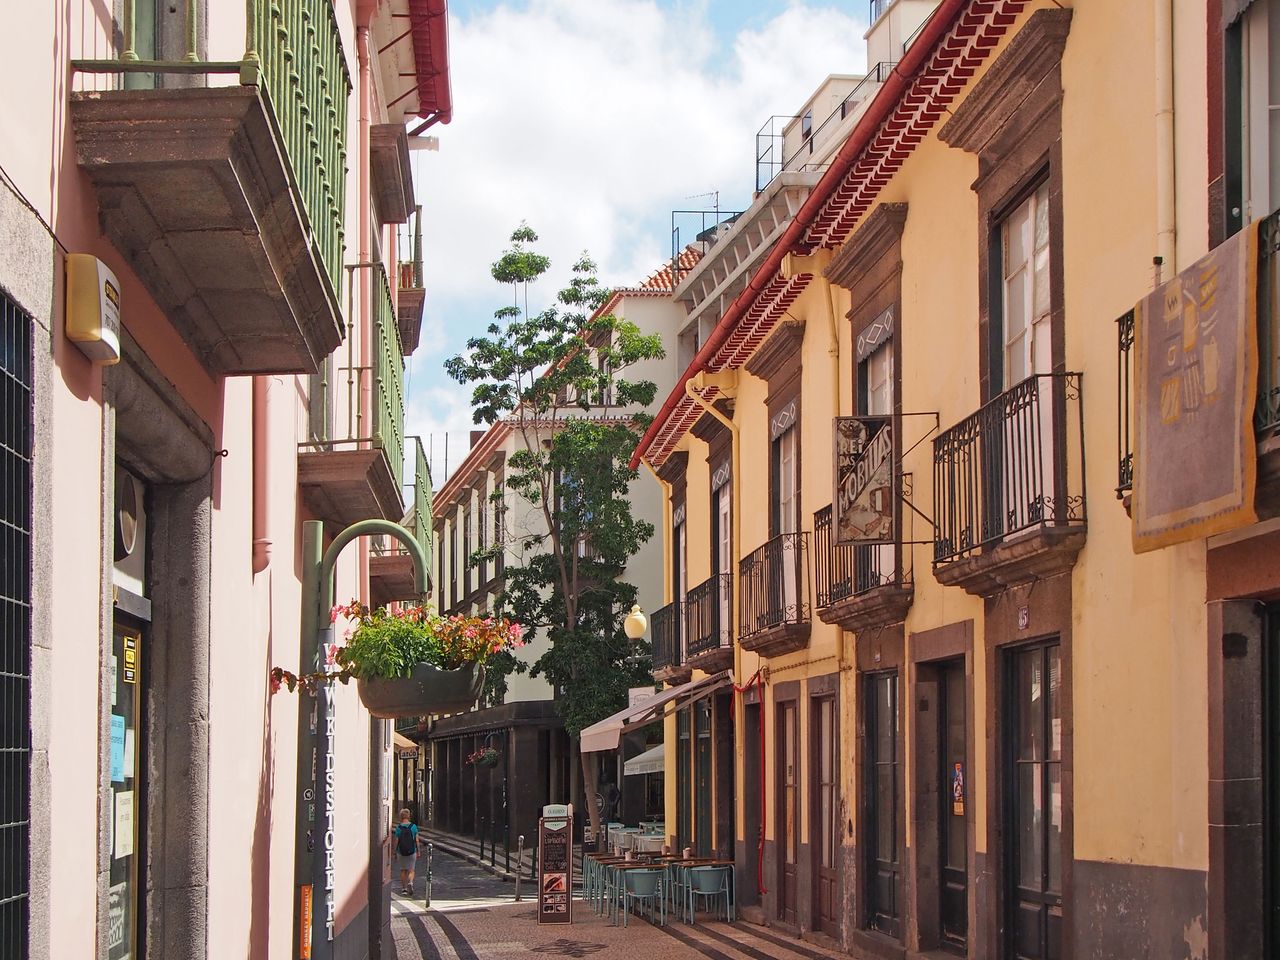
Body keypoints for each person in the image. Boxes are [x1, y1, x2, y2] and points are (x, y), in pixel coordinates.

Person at [392, 809, 419, 895]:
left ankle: (404, 889)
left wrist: (394, 851)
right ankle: (410, 882)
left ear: (401, 816)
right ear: (408, 816)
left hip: (401, 852)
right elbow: (417, 840)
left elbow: (396, 841)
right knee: (411, 869)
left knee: (403, 870)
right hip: (412, 851)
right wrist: (418, 851)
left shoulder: (398, 828)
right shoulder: (413, 827)